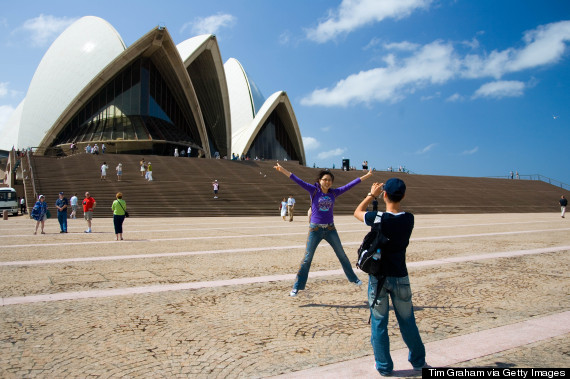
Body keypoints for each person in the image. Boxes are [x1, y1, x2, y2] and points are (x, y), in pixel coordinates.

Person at [353, 178, 426, 376]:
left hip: (379, 278)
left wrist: (371, 195)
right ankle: (419, 361)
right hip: (400, 277)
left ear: (384, 195)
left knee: (379, 322)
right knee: (408, 320)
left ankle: (384, 367)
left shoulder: (378, 218)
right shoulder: (409, 219)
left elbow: (357, 212)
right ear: (403, 196)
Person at [274, 163, 372, 297]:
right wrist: (282, 170)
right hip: (315, 229)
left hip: (331, 229)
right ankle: (297, 286)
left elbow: (350, 185)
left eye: (329, 180)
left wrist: (366, 176)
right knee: (307, 258)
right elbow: (296, 179)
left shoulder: (334, 193)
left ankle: (354, 279)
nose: (327, 182)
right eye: (324, 180)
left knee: (342, 255)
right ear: (319, 181)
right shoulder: (313, 190)